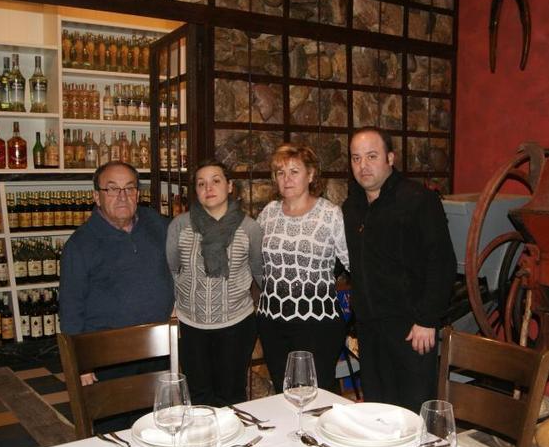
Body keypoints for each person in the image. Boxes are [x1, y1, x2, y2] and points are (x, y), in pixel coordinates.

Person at [342, 127, 456, 412]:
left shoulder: (418, 200)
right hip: (370, 330)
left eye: (371, 156)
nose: (363, 165)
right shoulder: (351, 206)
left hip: (412, 330)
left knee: (414, 413)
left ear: (390, 158)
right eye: (356, 158)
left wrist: (428, 319)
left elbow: (442, 263)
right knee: (378, 412)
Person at [59, 161, 175, 392]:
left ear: (137, 194)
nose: (122, 196)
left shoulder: (158, 225)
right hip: (108, 355)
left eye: (129, 188)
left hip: (159, 347)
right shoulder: (80, 245)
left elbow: (186, 258)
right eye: (112, 189)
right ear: (96, 196)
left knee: (161, 418)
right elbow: (70, 307)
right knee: (114, 422)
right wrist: (80, 363)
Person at [166, 160, 263, 406]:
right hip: (191, 325)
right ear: (196, 191)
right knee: (198, 397)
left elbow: (259, 273)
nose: (208, 188)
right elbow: (172, 268)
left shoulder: (249, 228)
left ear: (230, 186)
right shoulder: (179, 225)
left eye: (216, 181)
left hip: (236, 325)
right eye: (201, 183)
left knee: (232, 396)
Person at [257, 143, 350, 394]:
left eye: (294, 171)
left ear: (310, 175)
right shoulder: (268, 214)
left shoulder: (330, 214)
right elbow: (256, 263)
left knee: (318, 394)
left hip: (317, 322)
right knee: (282, 392)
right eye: (280, 173)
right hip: (272, 320)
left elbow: (353, 264)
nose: (286, 179)